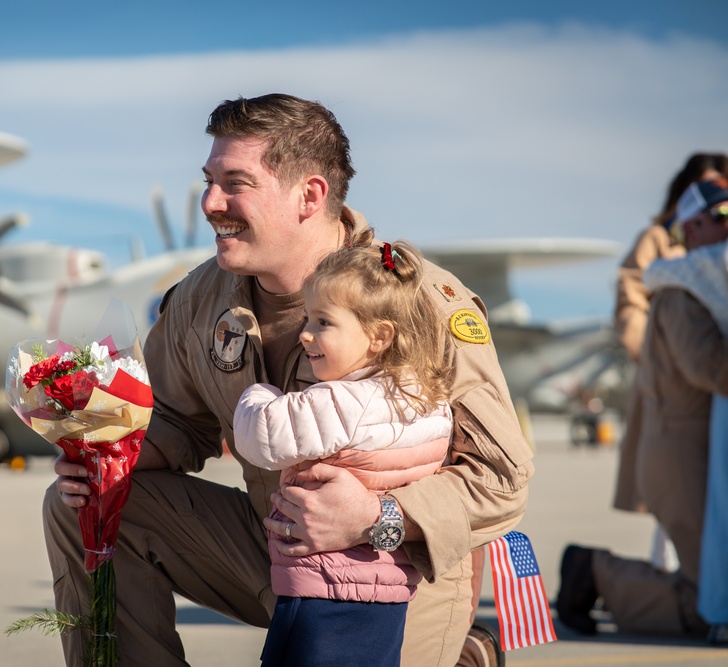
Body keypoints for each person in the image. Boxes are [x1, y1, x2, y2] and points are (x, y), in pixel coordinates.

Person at [43, 93, 532, 667]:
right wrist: (107, 455)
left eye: (235, 183)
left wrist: (379, 517)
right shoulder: (200, 298)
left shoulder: (416, 302)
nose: (210, 203)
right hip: (273, 543)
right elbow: (174, 421)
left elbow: (502, 477)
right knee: (87, 505)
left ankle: (458, 653)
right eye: (208, 180)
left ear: (310, 195)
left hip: (391, 570)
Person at [233, 239, 455, 666]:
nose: (305, 333)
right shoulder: (429, 399)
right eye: (306, 318)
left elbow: (262, 438)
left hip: (323, 585)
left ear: (378, 336)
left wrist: (260, 393)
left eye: (323, 322)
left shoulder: (342, 401)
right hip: (387, 587)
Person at [557, 179, 728, 641]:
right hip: (681, 456)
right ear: (690, 229)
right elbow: (712, 367)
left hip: (690, 450)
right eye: (723, 218)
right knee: (708, 604)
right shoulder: (680, 293)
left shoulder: (701, 286)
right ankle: (594, 573)